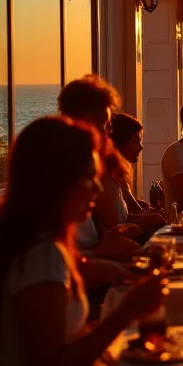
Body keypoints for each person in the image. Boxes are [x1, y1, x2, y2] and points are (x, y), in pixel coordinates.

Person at [0, 117, 165, 366]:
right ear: (56, 181)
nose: (98, 188)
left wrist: (91, 268)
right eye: (88, 178)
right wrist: (127, 311)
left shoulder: (22, 241)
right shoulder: (41, 256)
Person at [58, 75, 141, 257]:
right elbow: (57, 264)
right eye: (105, 124)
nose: (110, 131)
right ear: (83, 122)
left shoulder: (82, 167)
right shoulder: (60, 177)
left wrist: (107, 240)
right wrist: (102, 252)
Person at [110, 112, 166, 234]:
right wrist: (148, 217)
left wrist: (147, 212)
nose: (140, 148)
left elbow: (133, 209)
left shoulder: (120, 174)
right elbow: (117, 224)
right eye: (135, 142)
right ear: (119, 144)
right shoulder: (108, 178)